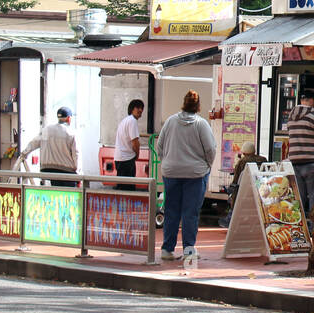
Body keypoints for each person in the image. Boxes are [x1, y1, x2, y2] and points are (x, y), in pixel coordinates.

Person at [157, 90, 217, 262]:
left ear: (183, 103)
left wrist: (167, 162)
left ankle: (167, 250)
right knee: (190, 213)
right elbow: (210, 149)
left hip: (171, 172)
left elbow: (160, 146)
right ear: (198, 106)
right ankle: (188, 250)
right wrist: (206, 165)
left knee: (171, 211)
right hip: (195, 174)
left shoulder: (170, 121)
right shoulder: (201, 124)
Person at [285, 93, 314, 221]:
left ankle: (299, 228)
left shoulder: (291, 117)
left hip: (295, 161)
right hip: (312, 161)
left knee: (298, 197)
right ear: (312, 101)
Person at [22, 107, 79, 187]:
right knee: (68, 196)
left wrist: (24, 153)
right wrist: (79, 173)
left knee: (56, 192)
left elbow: (34, 142)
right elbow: (76, 154)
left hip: (50, 169)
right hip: (67, 171)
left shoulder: (47, 129)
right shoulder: (71, 133)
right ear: (69, 118)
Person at [227, 140, 266, 214]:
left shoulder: (242, 161)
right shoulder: (263, 159)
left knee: (234, 189)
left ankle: (232, 212)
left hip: (244, 189)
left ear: (244, 152)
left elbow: (236, 178)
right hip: (259, 187)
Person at [113, 99, 144, 190]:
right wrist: (137, 154)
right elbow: (135, 142)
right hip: (127, 159)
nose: (140, 110)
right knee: (128, 189)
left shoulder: (125, 121)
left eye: (142, 108)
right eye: (138, 107)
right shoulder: (132, 121)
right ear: (132, 109)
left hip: (119, 158)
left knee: (122, 187)